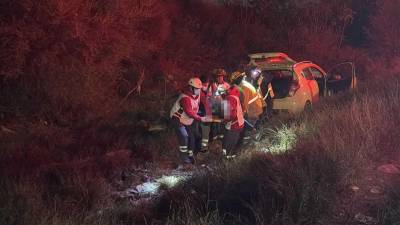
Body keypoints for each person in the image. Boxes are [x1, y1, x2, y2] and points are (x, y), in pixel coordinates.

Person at [170, 77, 207, 164]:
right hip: (178, 119)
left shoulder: (198, 93)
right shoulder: (185, 98)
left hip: (188, 120)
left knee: (194, 136)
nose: (199, 90)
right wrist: (201, 118)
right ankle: (184, 159)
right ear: (191, 88)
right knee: (184, 136)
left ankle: (192, 155)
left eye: (199, 89)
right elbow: (189, 112)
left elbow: (205, 101)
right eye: (197, 89)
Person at [229, 71, 264, 140]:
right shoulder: (244, 84)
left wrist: (237, 115)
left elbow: (244, 105)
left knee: (244, 127)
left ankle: (250, 138)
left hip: (253, 111)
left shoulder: (244, 88)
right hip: (254, 109)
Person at [221, 85, 244, 159]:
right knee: (233, 141)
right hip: (239, 123)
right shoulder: (234, 95)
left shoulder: (229, 98)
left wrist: (224, 121)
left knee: (229, 143)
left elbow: (231, 115)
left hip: (234, 125)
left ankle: (227, 159)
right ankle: (229, 156)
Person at [210, 68, 230, 140]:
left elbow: (230, 95)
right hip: (215, 106)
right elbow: (210, 96)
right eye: (218, 76)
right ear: (216, 77)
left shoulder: (227, 85)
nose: (219, 78)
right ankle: (215, 138)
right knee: (215, 123)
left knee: (223, 123)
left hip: (225, 105)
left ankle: (222, 138)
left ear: (223, 77)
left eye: (221, 76)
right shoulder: (213, 85)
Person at [198, 74, 213, 152]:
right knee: (201, 133)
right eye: (204, 84)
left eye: (206, 84)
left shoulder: (209, 90)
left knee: (206, 133)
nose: (205, 85)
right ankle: (201, 148)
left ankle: (204, 149)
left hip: (208, 115)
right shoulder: (198, 91)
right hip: (201, 115)